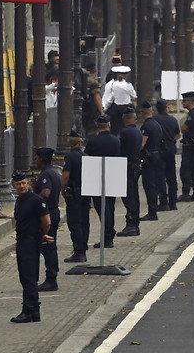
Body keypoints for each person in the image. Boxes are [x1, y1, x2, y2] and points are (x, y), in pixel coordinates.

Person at [10, 172, 50, 323]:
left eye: (23, 183)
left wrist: (42, 234)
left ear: (28, 184)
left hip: (30, 241)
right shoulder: (20, 201)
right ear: (14, 186)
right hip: (22, 241)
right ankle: (32, 310)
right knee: (24, 276)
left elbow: (46, 221)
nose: (21, 186)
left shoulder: (36, 200)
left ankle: (30, 309)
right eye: (18, 184)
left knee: (29, 276)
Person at [85, 114, 122, 246]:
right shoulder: (116, 140)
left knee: (101, 207)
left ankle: (107, 235)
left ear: (98, 126)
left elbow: (88, 158)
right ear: (109, 125)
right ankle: (109, 233)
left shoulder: (93, 141)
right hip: (113, 177)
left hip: (96, 179)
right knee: (110, 207)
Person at [34, 147, 62, 290]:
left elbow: (45, 192)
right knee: (50, 246)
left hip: (48, 214)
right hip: (53, 211)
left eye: (37, 158)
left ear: (41, 159)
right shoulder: (54, 172)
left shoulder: (46, 175)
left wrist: (33, 201)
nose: (35, 160)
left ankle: (51, 278)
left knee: (48, 247)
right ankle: (52, 275)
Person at [61, 129, 89, 262]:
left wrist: (63, 190)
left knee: (74, 222)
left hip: (74, 194)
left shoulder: (69, 157)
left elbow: (65, 176)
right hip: (85, 192)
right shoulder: (86, 156)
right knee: (85, 221)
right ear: (79, 143)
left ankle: (79, 251)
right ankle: (83, 246)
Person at [118, 109, 146, 235]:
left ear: (124, 118)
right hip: (135, 164)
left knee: (128, 195)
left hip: (127, 166)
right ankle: (135, 223)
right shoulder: (138, 131)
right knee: (134, 194)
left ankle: (131, 224)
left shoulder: (125, 133)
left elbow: (119, 148)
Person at [139, 101, 166, 220]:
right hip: (157, 156)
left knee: (149, 184)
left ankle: (152, 211)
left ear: (142, 113)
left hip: (148, 158)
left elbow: (142, 144)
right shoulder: (157, 124)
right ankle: (158, 205)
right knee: (157, 181)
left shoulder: (146, 126)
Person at [153, 98, 181, 208]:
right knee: (171, 177)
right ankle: (173, 202)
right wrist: (172, 140)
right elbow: (178, 135)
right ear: (166, 108)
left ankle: (163, 202)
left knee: (160, 177)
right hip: (170, 149)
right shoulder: (173, 120)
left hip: (159, 150)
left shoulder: (154, 120)